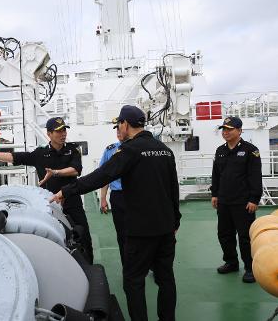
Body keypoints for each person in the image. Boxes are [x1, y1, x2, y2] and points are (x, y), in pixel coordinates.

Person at [51, 105, 181, 321]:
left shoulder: (129, 150)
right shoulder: (164, 150)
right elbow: (173, 188)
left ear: (125, 124)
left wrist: (66, 190)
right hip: (166, 227)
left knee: (134, 280)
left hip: (141, 230)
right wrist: (175, 220)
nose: (119, 129)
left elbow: (101, 176)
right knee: (166, 278)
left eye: (119, 124)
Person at [0, 117, 94, 263]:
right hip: (50, 205)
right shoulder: (40, 154)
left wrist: (54, 172)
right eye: (58, 131)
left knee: (84, 235)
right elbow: (16, 157)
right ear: (49, 134)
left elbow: (75, 170)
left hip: (72, 201)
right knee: (55, 238)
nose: (63, 134)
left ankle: (89, 266)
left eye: (64, 130)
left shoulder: (72, 150)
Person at [210, 116, 262, 283]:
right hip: (224, 201)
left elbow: (255, 176)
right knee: (224, 234)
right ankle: (231, 262)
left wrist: (254, 199)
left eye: (229, 129)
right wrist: (215, 194)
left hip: (243, 202)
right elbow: (216, 175)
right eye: (223, 129)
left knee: (245, 237)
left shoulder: (250, 150)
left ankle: (250, 267)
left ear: (239, 131)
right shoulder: (220, 151)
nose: (225, 132)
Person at [99, 126, 126, 265]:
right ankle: (127, 265)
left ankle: (149, 263)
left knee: (143, 231)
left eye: (120, 128)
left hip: (138, 196)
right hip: (118, 197)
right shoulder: (110, 150)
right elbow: (104, 176)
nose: (118, 132)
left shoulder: (138, 149)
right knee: (122, 234)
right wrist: (103, 198)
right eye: (116, 129)